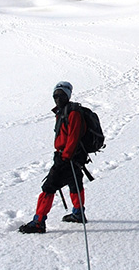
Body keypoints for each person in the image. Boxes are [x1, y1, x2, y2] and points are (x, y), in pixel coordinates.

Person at [19, 81, 89, 234]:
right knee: (75, 183)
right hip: (72, 157)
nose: (58, 98)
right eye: (55, 95)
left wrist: (66, 156)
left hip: (67, 157)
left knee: (48, 187)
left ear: (68, 95)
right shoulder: (63, 111)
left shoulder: (73, 112)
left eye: (61, 94)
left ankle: (38, 222)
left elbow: (74, 136)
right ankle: (78, 214)